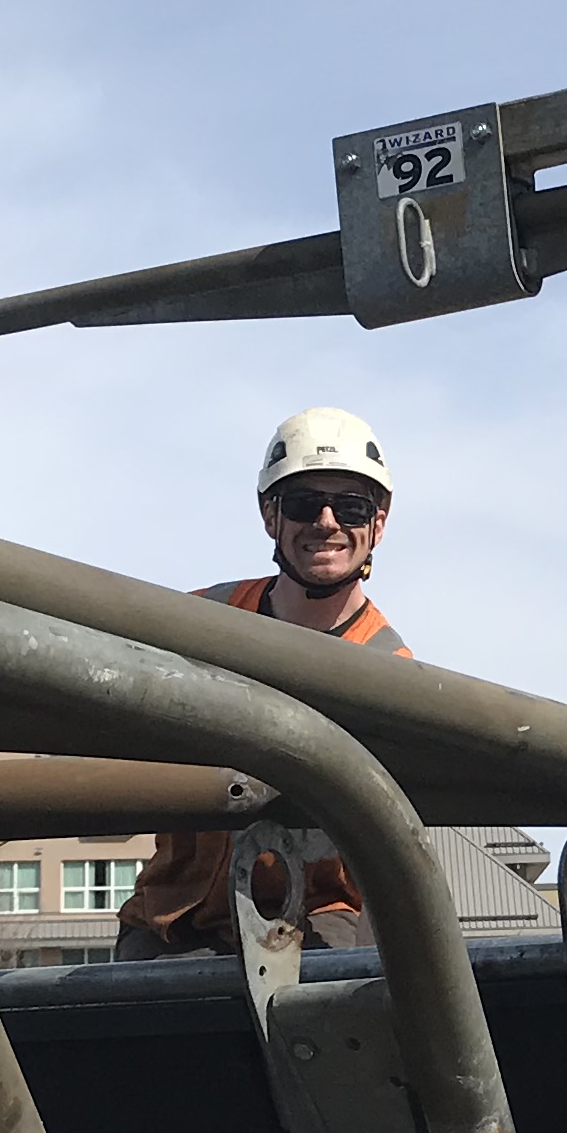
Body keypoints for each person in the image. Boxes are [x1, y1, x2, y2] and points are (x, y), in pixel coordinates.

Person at [115, 407, 413, 961]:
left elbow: (393, 847)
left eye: (350, 506)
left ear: (379, 522)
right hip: (172, 920)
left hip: (312, 927)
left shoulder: (389, 670)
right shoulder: (201, 621)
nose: (326, 522)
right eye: (303, 504)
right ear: (270, 515)